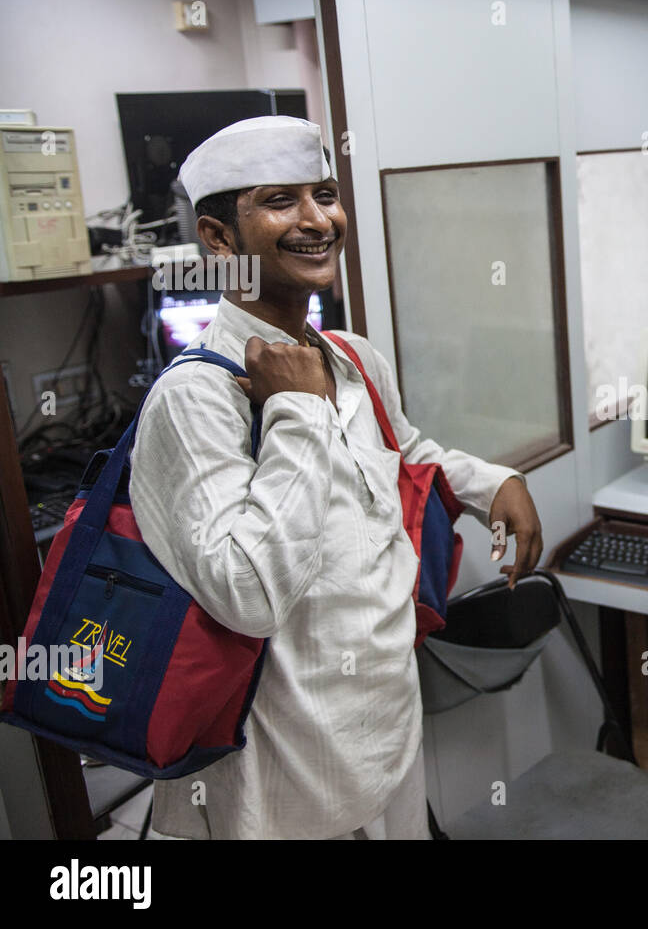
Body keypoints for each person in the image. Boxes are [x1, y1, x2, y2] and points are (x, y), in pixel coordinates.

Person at [129, 116, 544, 839]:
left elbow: (404, 455)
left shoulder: (350, 356)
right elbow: (245, 594)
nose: (318, 219)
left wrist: (489, 484)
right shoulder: (194, 398)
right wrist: (294, 409)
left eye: (324, 193)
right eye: (280, 201)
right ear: (220, 238)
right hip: (281, 756)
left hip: (383, 720)